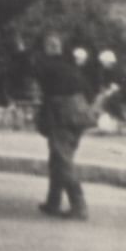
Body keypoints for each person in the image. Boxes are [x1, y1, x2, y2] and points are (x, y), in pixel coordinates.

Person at [19, 33, 92, 220]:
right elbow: (88, 89)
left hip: (62, 114)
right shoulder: (71, 66)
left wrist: (20, 49)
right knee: (58, 159)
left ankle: (79, 206)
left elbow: (29, 69)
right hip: (80, 114)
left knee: (62, 160)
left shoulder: (47, 65)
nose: (51, 47)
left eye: (52, 44)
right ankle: (53, 202)